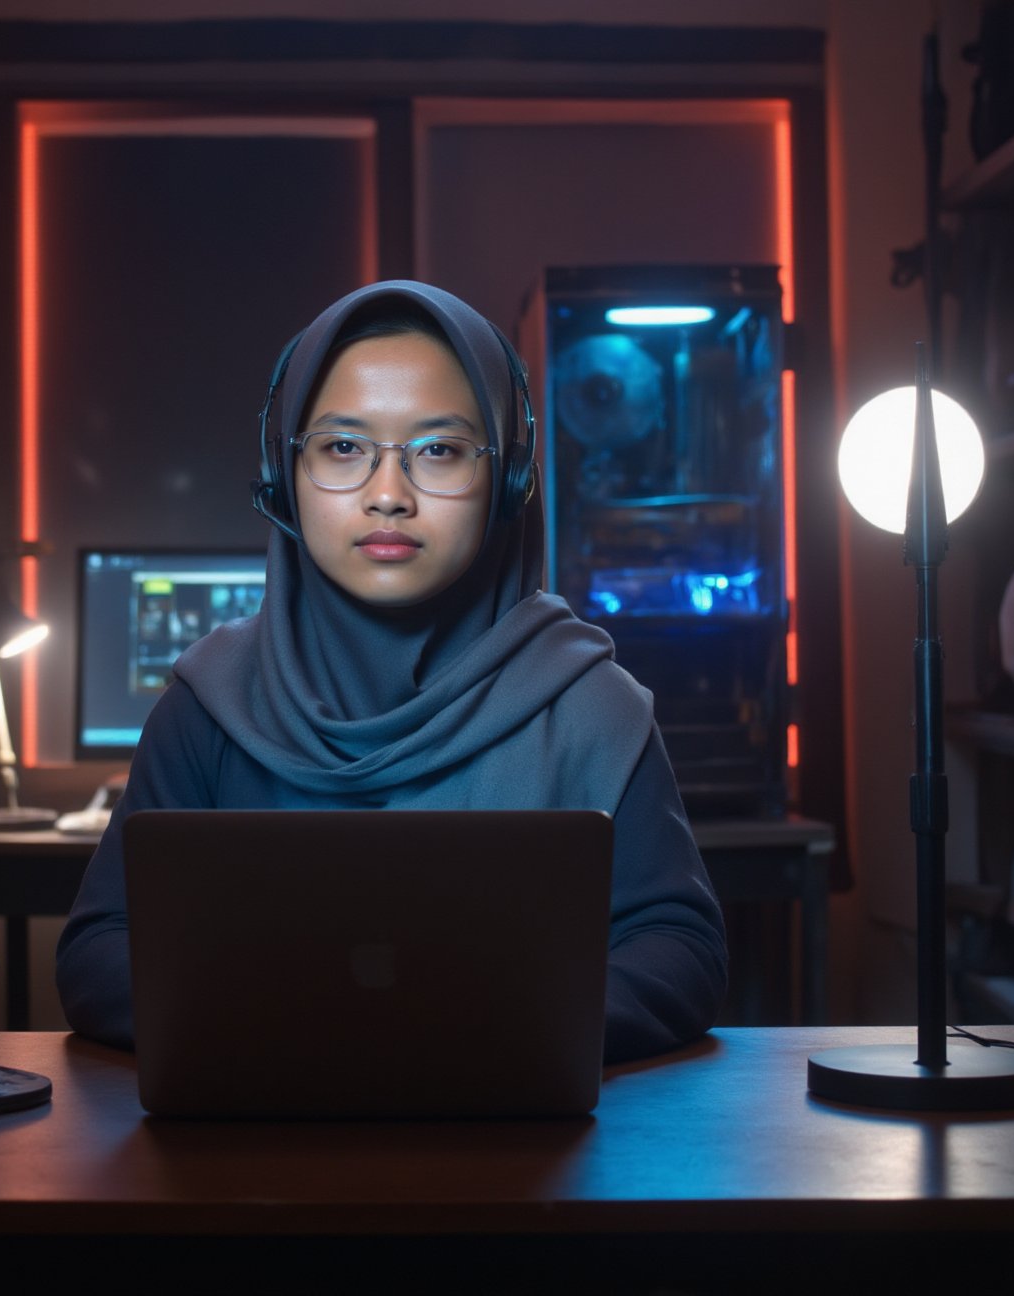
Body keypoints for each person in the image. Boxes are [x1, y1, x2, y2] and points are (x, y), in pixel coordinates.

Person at [56, 280, 727, 1063]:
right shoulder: (206, 706)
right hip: (244, 1164)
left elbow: (681, 951)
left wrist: (485, 1033)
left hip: (521, 1160)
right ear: (283, 475)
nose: (387, 496)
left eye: (438, 450)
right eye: (343, 447)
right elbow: (98, 950)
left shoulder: (592, 708)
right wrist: (299, 1030)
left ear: (509, 480)